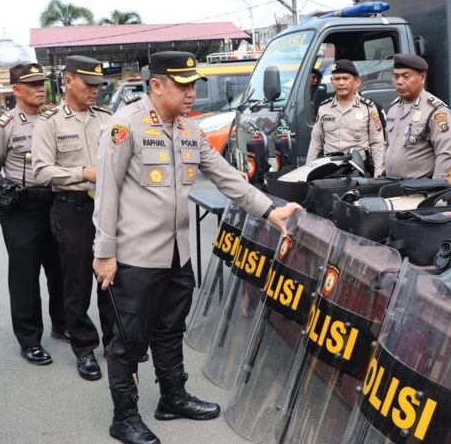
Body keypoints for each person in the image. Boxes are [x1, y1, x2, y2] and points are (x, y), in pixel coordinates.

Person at [93, 51, 300, 444]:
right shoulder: (126, 126)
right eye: (182, 85)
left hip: (177, 254)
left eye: (193, 85)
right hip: (135, 257)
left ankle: (172, 398)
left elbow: (226, 178)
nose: (191, 93)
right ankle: (124, 417)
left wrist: (270, 210)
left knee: (171, 329)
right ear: (157, 85)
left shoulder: (189, 129)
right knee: (129, 340)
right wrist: (104, 253)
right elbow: (106, 192)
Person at [32, 55, 115, 381]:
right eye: (88, 84)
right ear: (68, 81)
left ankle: (113, 340)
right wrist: (81, 172)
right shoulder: (49, 123)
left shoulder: (107, 119)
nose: (94, 90)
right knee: (77, 283)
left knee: (111, 277)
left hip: (107, 208)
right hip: (72, 207)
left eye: (97, 85)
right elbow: (40, 171)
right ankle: (83, 348)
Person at [0, 62, 68, 365]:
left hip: (56, 202)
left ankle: (62, 323)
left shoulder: (54, 120)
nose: (39, 89)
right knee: (24, 276)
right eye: (31, 84)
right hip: (22, 208)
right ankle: (29, 339)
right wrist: (8, 201)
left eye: (41, 83)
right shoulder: (4, 126)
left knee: (60, 269)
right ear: (16, 90)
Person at [306, 59, 386, 176]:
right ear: (332, 81)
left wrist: (378, 175)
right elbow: (315, 143)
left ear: (357, 81)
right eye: (337, 79)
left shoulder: (368, 108)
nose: (341, 83)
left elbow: (377, 143)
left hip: (358, 170)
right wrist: (308, 172)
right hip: (329, 170)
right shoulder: (324, 108)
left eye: (345, 78)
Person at [384, 54, 451, 180]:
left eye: (406, 76)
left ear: (422, 77)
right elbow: (387, 145)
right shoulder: (394, 107)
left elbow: (444, 155)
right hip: (391, 186)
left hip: (419, 188)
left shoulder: (436, 111)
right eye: (396, 77)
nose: (399, 81)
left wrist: (437, 188)